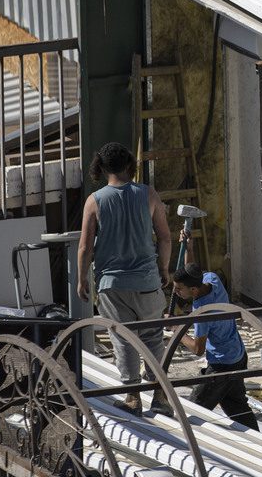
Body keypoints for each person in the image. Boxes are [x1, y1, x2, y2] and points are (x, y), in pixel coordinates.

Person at [77, 142, 173, 415]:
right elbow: (164, 237)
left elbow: (85, 247)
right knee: (154, 336)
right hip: (148, 282)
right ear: (129, 164)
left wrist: (82, 279)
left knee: (123, 338)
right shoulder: (148, 194)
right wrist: (163, 270)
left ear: (102, 167)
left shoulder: (95, 201)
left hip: (112, 285)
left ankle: (132, 396)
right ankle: (160, 395)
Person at [170, 230, 259, 430]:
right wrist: (189, 248)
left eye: (178, 289)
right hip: (238, 355)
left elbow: (197, 349)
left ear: (193, 291)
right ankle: (258, 440)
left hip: (221, 366)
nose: (176, 292)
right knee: (236, 406)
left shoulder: (201, 311)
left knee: (193, 413)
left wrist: (176, 329)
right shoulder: (212, 279)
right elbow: (193, 272)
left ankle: (190, 449)